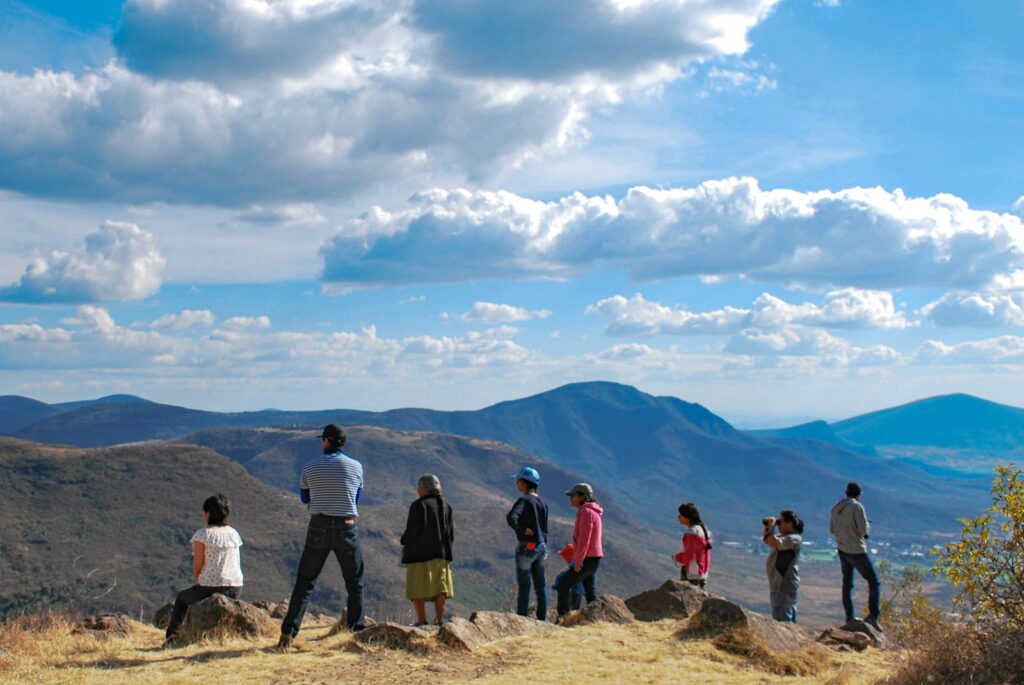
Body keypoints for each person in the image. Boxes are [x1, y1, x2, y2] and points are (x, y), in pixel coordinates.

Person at [278, 424, 365, 648]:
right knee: (354, 581)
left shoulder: (310, 467)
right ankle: (356, 631)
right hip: (346, 525)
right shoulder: (356, 467)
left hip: (319, 524)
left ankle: (288, 633)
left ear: (326, 441)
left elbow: (305, 498)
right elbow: (356, 499)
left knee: (305, 581)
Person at [164, 494, 243, 645]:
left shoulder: (203, 535)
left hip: (211, 586)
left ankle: (172, 638)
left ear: (208, 514)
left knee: (182, 599)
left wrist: (200, 582)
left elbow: (198, 565)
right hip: (235, 586)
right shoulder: (234, 533)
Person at [400, 474, 455, 626]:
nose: (417, 490)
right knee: (440, 588)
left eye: (419, 487)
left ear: (425, 488)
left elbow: (412, 530)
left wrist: (404, 540)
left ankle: (422, 620)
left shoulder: (418, 506)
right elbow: (450, 534)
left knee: (417, 587)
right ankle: (439, 619)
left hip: (419, 555)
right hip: (441, 554)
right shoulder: (446, 507)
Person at [830, 481, 882, 630]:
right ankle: (873, 616)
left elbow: (831, 528)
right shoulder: (857, 507)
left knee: (847, 584)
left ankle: (849, 617)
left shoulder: (836, 508)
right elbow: (863, 530)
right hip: (856, 550)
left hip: (842, 549)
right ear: (858, 495)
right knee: (874, 582)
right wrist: (865, 526)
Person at [506, 466, 550, 621]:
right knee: (540, 585)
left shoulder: (524, 500)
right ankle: (542, 618)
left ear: (524, 483)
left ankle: (522, 619)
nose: (517, 483)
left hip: (527, 547)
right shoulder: (542, 502)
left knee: (524, 585)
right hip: (541, 547)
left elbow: (512, 518)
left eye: (518, 481)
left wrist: (523, 530)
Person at [555, 483, 604, 618]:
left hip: (587, 559)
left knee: (563, 586)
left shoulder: (586, 512)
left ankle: (564, 618)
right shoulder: (594, 512)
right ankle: (595, 619)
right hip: (594, 558)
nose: (571, 498)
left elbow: (584, 539)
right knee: (590, 593)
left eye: (573, 495)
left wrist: (578, 561)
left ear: (583, 496)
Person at [762, 510, 803, 623]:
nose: (778, 524)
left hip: (783, 583)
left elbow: (773, 542)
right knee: (787, 615)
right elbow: (767, 540)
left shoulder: (794, 538)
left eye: (781, 522)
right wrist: (769, 526)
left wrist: (772, 526)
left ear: (789, 524)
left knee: (783, 620)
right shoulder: (786, 537)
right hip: (781, 584)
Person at [673, 502, 712, 588]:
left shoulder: (692, 533)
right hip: (702, 572)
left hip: (691, 572)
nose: (679, 517)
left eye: (681, 515)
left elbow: (688, 556)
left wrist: (676, 557)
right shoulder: (705, 530)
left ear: (688, 517)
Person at [552, 544, 585, 611]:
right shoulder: (582, 567)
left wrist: (555, 586)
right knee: (574, 610)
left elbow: (559, 578)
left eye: (564, 556)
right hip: (579, 594)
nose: (563, 558)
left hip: (569, 594)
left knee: (565, 611)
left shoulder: (569, 569)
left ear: (568, 556)